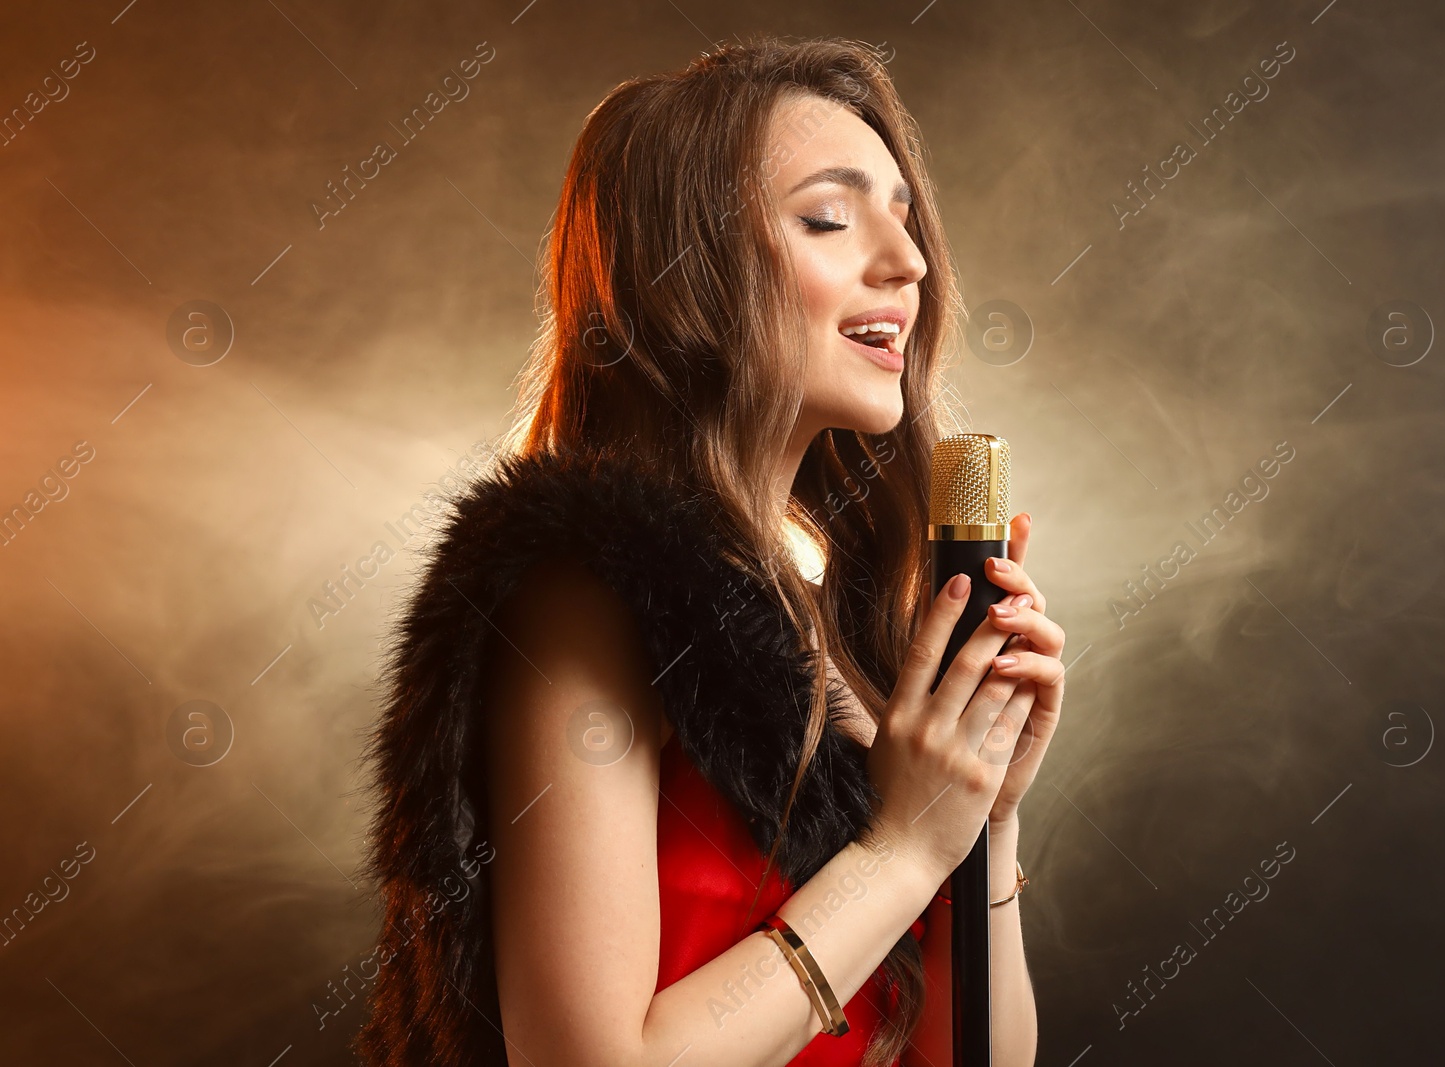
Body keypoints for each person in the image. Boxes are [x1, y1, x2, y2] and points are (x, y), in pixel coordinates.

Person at [355, 35, 1065, 1067]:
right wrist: (903, 847)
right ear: (685, 277)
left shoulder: (835, 619)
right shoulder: (580, 594)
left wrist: (980, 822)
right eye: (828, 217)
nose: (908, 264)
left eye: (905, 220)